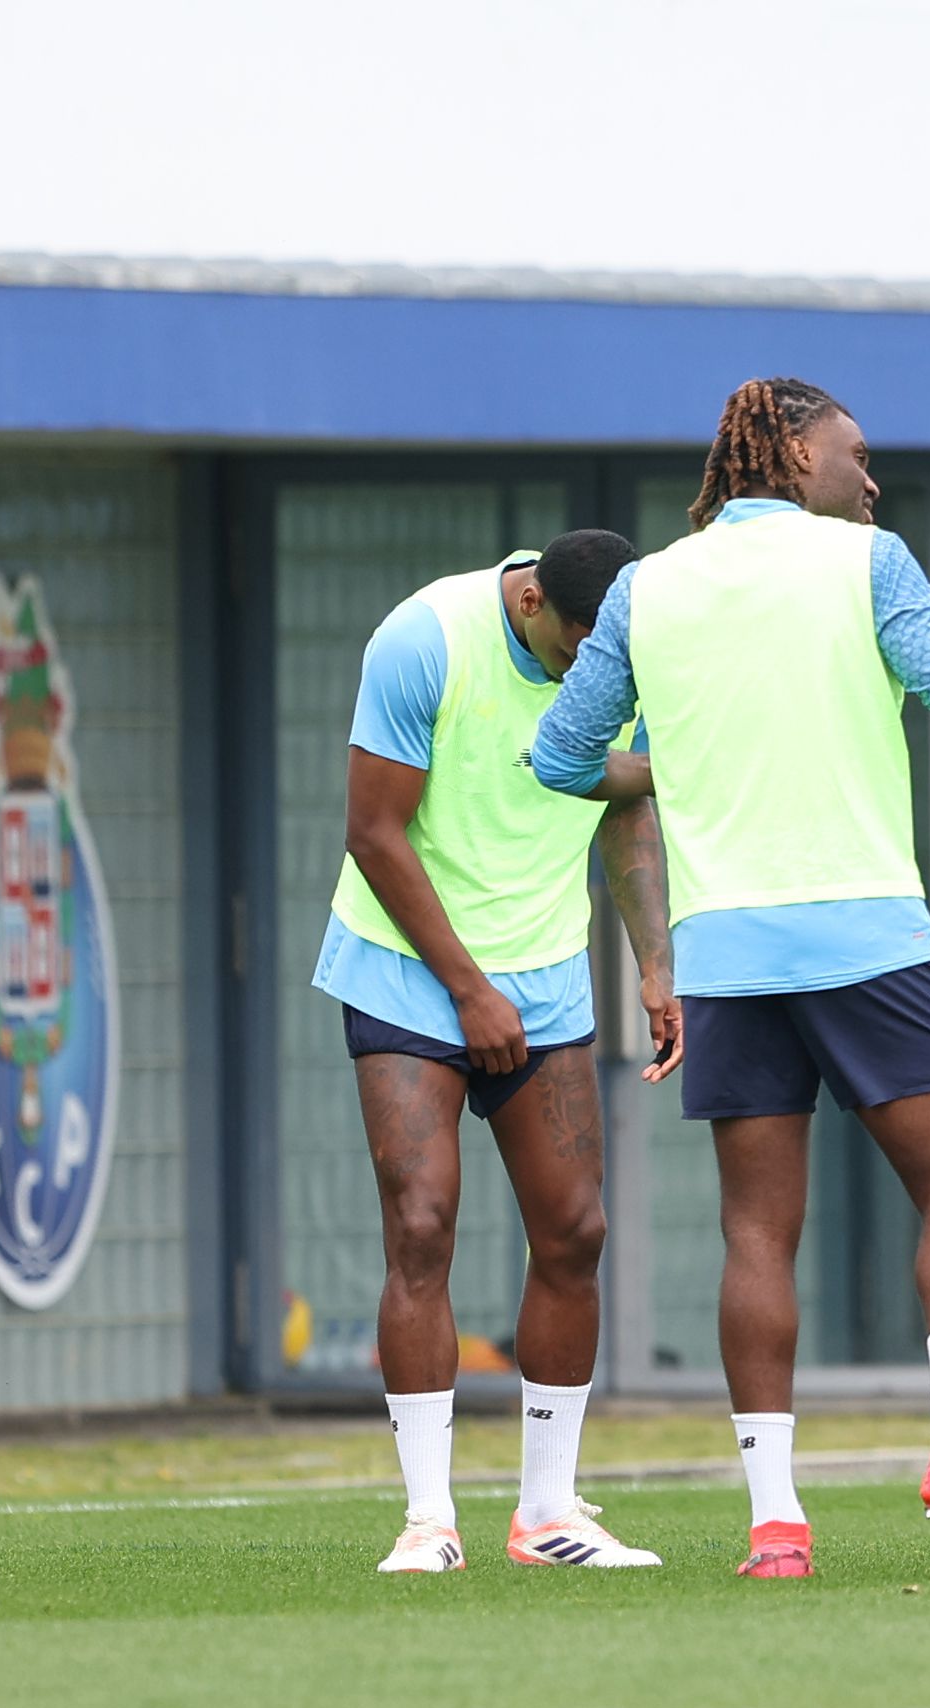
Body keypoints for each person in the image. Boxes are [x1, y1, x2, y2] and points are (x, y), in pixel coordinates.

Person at [532, 377, 930, 1581]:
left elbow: (562, 756)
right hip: (868, 937)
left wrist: (670, 762)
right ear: (792, 454)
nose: (870, 479)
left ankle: (776, 1525)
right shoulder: (867, 563)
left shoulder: (647, 587)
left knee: (756, 1232)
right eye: (854, 453)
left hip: (727, 956)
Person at [317, 528, 677, 1575]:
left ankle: (547, 1511)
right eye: (576, 655)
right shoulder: (421, 639)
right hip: (407, 971)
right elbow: (373, 832)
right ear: (529, 607)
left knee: (574, 1229)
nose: (590, 679)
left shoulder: (624, 649)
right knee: (422, 1223)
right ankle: (429, 1518)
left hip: (546, 974)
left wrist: (655, 964)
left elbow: (625, 803)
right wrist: (468, 990)